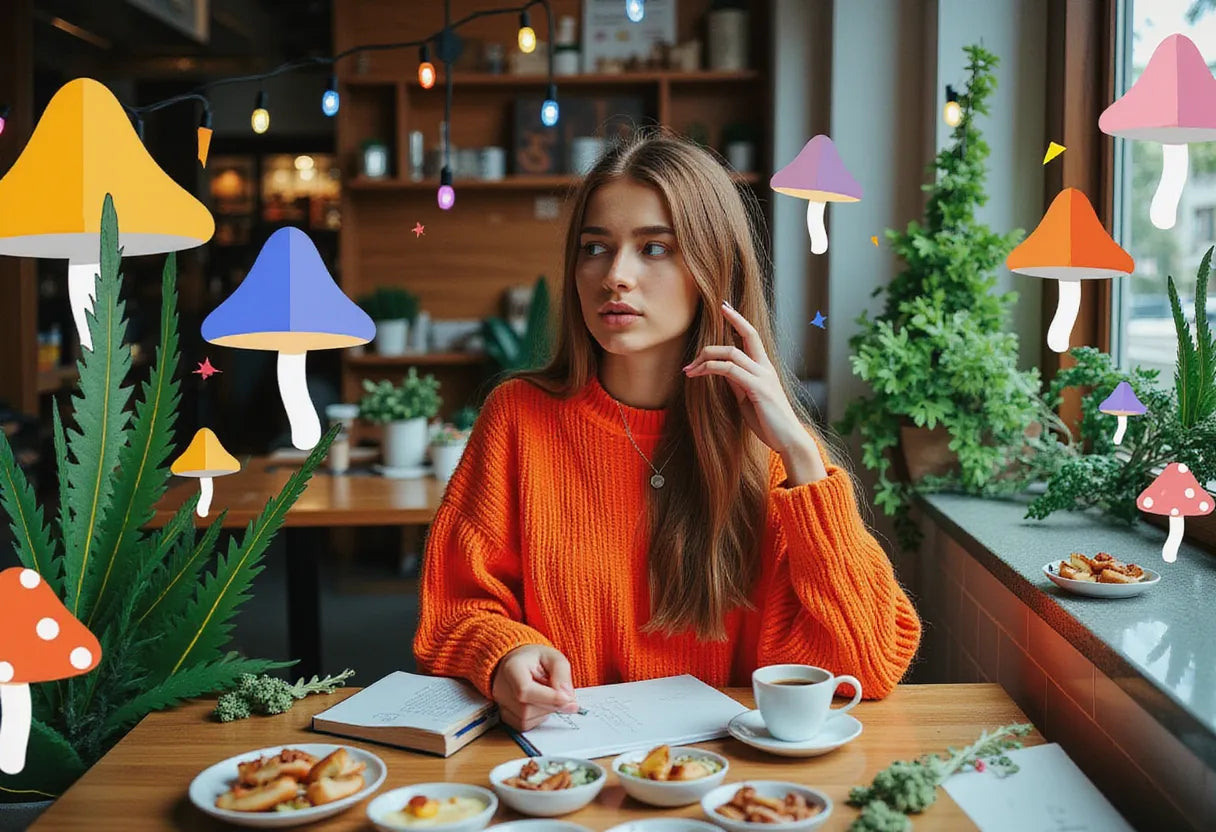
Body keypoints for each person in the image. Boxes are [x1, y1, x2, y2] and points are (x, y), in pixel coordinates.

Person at [413, 131, 921, 732]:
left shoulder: (765, 451)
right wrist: (504, 654)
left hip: (724, 787)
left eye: (655, 249)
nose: (615, 277)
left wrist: (802, 455)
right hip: (559, 778)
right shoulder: (517, 418)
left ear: (715, 268)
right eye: (594, 248)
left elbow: (867, 662)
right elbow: (454, 609)